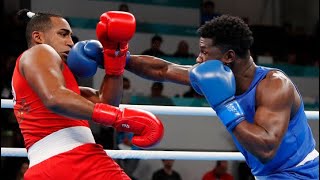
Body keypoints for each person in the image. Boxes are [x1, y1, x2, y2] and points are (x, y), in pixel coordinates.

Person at [124, 15, 319, 179]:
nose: (198, 59)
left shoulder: (274, 85)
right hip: (268, 175)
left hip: (301, 172)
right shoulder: (216, 77)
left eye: (204, 52)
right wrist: (119, 59)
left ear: (229, 57)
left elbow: (266, 149)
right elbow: (164, 69)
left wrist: (225, 105)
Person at [11, 9, 164, 179]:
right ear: (38, 37)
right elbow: (54, 97)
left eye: (70, 36)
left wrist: (115, 64)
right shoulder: (39, 52)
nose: (70, 42)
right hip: (76, 160)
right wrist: (118, 117)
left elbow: (105, 104)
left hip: (44, 169)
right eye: (63, 34)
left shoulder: (55, 83)